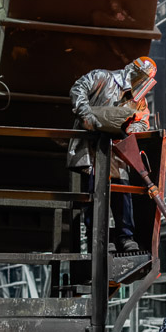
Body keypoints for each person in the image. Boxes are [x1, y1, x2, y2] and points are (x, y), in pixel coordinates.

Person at [66, 56, 156, 253]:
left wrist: (133, 126)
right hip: (92, 149)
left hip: (117, 154)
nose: (140, 82)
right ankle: (99, 238)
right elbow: (77, 89)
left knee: (123, 192)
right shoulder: (102, 78)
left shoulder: (138, 99)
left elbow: (143, 122)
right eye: (140, 76)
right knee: (96, 193)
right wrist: (86, 114)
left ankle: (125, 237)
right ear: (132, 69)